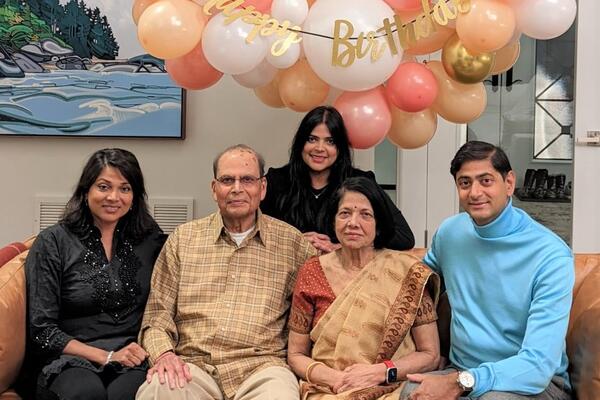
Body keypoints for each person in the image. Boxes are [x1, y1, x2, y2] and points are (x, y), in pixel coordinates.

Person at [136, 144, 316, 400]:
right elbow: (157, 317)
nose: (237, 189)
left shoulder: (293, 245)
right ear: (214, 188)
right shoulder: (183, 240)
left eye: (247, 180)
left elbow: (314, 315)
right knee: (159, 390)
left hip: (262, 368)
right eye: (227, 180)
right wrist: (165, 355)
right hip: (192, 365)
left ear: (262, 188)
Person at [402, 141, 574, 400]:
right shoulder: (450, 233)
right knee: (412, 393)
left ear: (509, 183)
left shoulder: (550, 255)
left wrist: (461, 382)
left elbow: (537, 366)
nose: (475, 192)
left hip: (533, 383)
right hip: (460, 369)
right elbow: (417, 282)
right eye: (465, 183)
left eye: (486, 180)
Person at [23, 148, 166, 400]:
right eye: (103, 186)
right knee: (87, 393)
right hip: (69, 358)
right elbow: (42, 330)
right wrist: (106, 356)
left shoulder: (149, 239)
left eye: (125, 188)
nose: (114, 197)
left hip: (132, 357)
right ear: (85, 190)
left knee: (130, 395)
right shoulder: (53, 242)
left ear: (135, 196)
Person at [287, 176, 440, 400]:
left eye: (365, 215)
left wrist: (380, 372)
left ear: (379, 225)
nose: (353, 223)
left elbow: (430, 354)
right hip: (329, 388)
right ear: (333, 221)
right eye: (345, 213)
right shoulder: (312, 271)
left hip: (392, 386)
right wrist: (336, 379)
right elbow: (296, 354)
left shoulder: (407, 271)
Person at [260, 106, 414, 254]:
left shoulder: (360, 182)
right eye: (312, 139)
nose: (320, 148)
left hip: (344, 275)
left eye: (330, 141)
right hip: (289, 274)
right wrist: (295, 241)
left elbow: (404, 237)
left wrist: (344, 247)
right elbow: (250, 232)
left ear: (340, 148)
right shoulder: (276, 180)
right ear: (301, 143)